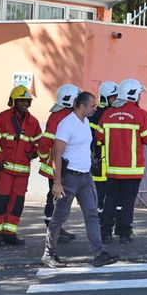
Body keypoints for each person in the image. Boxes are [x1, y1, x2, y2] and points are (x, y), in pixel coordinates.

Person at [43, 91, 120, 268]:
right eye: (92, 106)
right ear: (82, 106)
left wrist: (90, 161)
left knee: (92, 214)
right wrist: (57, 182)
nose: (95, 108)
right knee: (59, 216)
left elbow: (84, 147)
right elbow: (57, 154)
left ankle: (99, 253)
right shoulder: (66, 124)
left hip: (85, 177)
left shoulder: (85, 122)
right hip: (69, 178)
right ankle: (49, 253)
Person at [97, 78, 147, 244]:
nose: (140, 97)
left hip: (112, 169)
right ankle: (124, 234)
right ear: (134, 95)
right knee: (127, 203)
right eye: (139, 94)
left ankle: (106, 233)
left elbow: (99, 136)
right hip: (132, 170)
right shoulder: (141, 114)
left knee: (109, 200)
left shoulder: (108, 114)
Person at [0, 85, 43, 246]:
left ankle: (10, 232)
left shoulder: (33, 122)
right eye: (22, 101)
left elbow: (40, 142)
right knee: (1, 201)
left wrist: (35, 152)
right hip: (5, 169)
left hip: (23, 172)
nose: (25, 104)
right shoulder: (3, 118)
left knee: (17, 203)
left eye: (27, 101)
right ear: (14, 101)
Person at [36, 84, 80, 244]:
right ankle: (52, 229)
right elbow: (45, 141)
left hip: (61, 164)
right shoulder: (60, 116)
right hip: (57, 166)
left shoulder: (63, 114)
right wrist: (44, 157)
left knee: (60, 198)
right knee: (55, 198)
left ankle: (57, 228)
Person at [90, 81, 119, 214]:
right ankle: (100, 222)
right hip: (99, 160)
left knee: (113, 193)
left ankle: (108, 221)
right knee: (100, 193)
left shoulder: (114, 113)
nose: (116, 100)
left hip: (112, 159)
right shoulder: (96, 115)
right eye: (113, 97)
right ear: (104, 98)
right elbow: (92, 139)